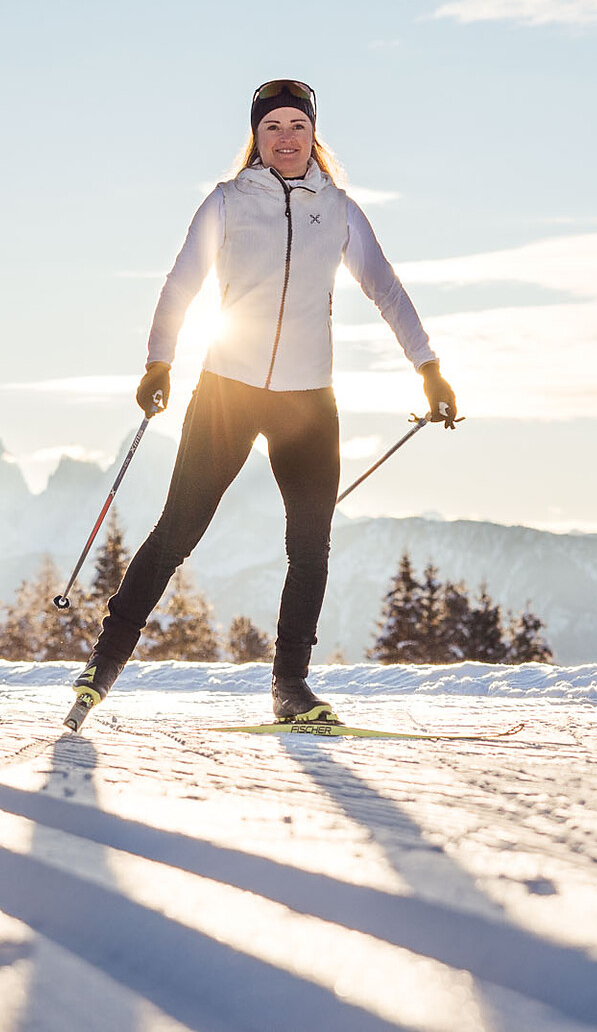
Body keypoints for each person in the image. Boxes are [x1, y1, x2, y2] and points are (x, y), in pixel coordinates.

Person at [72, 79, 456, 725]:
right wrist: (158, 360)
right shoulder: (226, 203)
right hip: (228, 392)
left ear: (314, 135)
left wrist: (430, 368)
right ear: (255, 136)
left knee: (311, 546)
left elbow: (386, 289)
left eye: (296, 126)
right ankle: (104, 661)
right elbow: (181, 283)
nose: (285, 138)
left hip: (308, 401)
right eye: (272, 126)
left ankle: (291, 684)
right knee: (177, 531)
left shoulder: (338, 211)